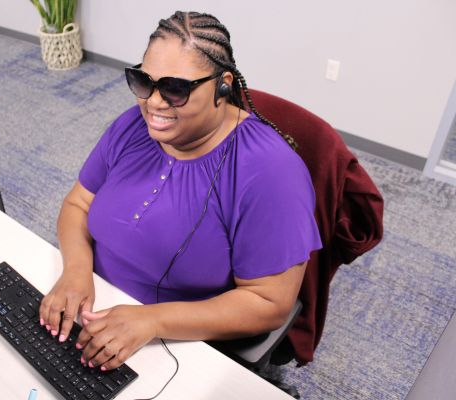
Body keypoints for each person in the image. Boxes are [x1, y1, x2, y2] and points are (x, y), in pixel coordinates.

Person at [39, 11, 322, 372]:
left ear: (223, 85)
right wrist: (76, 272)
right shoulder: (132, 127)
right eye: (144, 81)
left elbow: (270, 302)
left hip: (178, 344)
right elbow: (78, 203)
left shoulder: (269, 171)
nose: (154, 102)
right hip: (94, 312)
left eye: (175, 88)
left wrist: (152, 321)